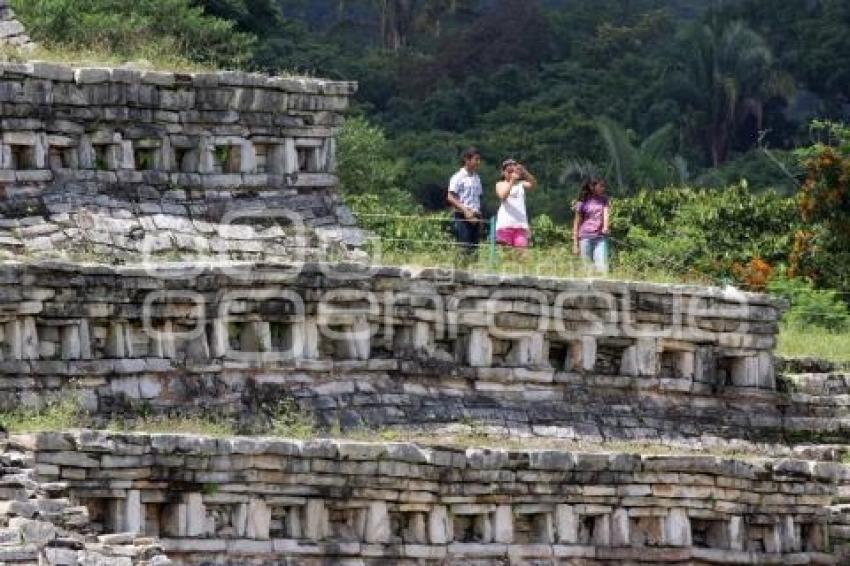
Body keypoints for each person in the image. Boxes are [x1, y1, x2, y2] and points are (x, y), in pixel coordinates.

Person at [447, 147, 483, 258]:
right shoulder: (458, 177)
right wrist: (465, 210)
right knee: (464, 247)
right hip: (461, 216)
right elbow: (450, 197)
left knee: (474, 250)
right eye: (476, 159)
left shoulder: (477, 178)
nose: (478, 162)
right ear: (467, 160)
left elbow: (478, 198)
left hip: (475, 217)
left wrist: (479, 216)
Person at [495, 159, 536, 252]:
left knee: (522, 255)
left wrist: (524, 171)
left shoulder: (521, 184)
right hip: (505, 225)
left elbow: (533, 184)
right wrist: (511, 182)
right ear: (503, 172)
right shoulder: (500, 184)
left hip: (520, 226)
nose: (512, 174)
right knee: (505, 255)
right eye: (509, 171)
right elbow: (502, 196)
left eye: (513, 171)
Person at [572, 177, 610, 273]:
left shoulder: (604, 200)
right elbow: (576, 223)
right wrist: (575, 244)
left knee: (601, 267)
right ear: (592, 186)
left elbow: (605, 214)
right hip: (585, 237)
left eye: (604, 186)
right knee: (587, 268)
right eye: (600, 186)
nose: (603, 188)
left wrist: (605, 227)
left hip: (599, 237)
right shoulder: (582, 202)